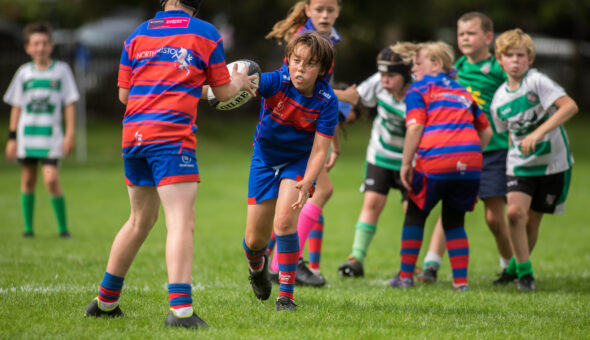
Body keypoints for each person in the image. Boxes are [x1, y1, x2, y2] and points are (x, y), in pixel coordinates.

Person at [84, 0, 256, 329]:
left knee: (140, 219)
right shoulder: (205, 33)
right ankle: (180, 311)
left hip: (134, 134)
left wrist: (194, 89)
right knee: (180, 221)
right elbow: (223, 92)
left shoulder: (138, 34)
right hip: (170, 136)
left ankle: (106, 302)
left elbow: (124, 95)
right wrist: (241, 82)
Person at [416, 12, 514, 285]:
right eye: (461, 34)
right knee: (450, 208)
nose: (465, 39)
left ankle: (510, 267)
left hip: (493, 150)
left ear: (488, 37)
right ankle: (431, 266)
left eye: (471, 33)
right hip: (459, 151)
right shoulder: (455, 70)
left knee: (494, 218)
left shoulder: (498, 68)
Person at [242, 31, 338, 311]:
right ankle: (258, 269)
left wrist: (308, 181)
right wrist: (235, 83)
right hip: (264, 160)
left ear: (322, 69)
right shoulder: (277, 80)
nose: (301, 68)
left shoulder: (326, 100)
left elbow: (320, 149)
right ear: (288, 60)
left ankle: (286, 295)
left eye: (309, 64)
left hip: (298, 162)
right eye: (296, 60)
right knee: (254, 241)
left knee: (284, 222)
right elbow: (249, 83)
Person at [264, 0, 355, 286]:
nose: (325, 15)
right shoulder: (306, 42)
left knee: (312, 196)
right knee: (320, 191)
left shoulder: (329, 40)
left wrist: (336, 143)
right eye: (320, 9)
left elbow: (322, 100)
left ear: (338, 10)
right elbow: (299, 89)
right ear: (307, 10)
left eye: (331, 10)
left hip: (310, 130)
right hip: (293, 133)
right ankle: (283, 263)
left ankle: (300, 263)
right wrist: (346, 96)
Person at [389, 42, 492, 291]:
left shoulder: (419, 88)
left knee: (415, 213)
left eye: (417, 63)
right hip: (469, 162)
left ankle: (405, 277)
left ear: (435, 65)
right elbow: (486, 130)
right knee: (454, 221)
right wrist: (469, 155)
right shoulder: (463, 91)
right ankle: (461, 283)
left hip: (436, 159)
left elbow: (415, 127)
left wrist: (405, 163)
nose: (412, 68)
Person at [490, 28, 578, 291]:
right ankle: (525, 275)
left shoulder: (537, 81)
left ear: (530, 59)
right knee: (515, 214)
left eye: (521, 55)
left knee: (531, 221)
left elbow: (570, 106)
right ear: (500, 60)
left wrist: (539, 133)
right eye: (509, 55)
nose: (515, 60)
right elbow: (505, 134)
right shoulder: (499, 101)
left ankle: (516, 268)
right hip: (520, 164)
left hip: (553, 163)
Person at [336, 42, 417, 278]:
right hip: (380, 154)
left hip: (411, 161)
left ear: (406, 75)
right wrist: (339, 116)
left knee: (410, 210)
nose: (385, 80)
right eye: (382, 75)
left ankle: (409, 265)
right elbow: (354, 99)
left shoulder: (419, 91)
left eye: (391, 76)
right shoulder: (377, 84)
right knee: (372, 203)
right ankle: (356, 258)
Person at [4, 22, 79, 238]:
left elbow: (70, 103)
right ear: (27, 47)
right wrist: (12, 137)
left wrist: (70, 134)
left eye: (45, 43)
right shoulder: (23, 73)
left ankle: (63, 229)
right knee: (27, 180)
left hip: (51, 138)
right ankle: (28, 229)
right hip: (28, 138)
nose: (41, 47)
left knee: (50, 179)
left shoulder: (62, 71)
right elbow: (17, 106)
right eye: (36, 43)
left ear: (51, 45)